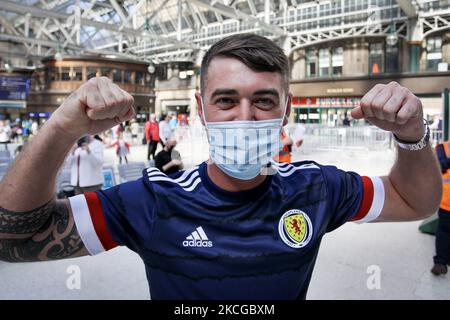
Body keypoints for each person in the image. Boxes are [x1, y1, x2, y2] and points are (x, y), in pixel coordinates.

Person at [0, 34, 442, 300]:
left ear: (285, 111)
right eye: (226, 100)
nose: (245, 117)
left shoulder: (316, 188)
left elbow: (414, 201)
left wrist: (411, 134)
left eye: (264, 101)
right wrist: (60, 128)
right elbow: (14, 237)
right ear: (201, 108)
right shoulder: (155, 200)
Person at [431, 141, 450, 275]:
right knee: (444, 231)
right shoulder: (443, 147)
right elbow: (438, 166)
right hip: (447, 203)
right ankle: (440, 263)